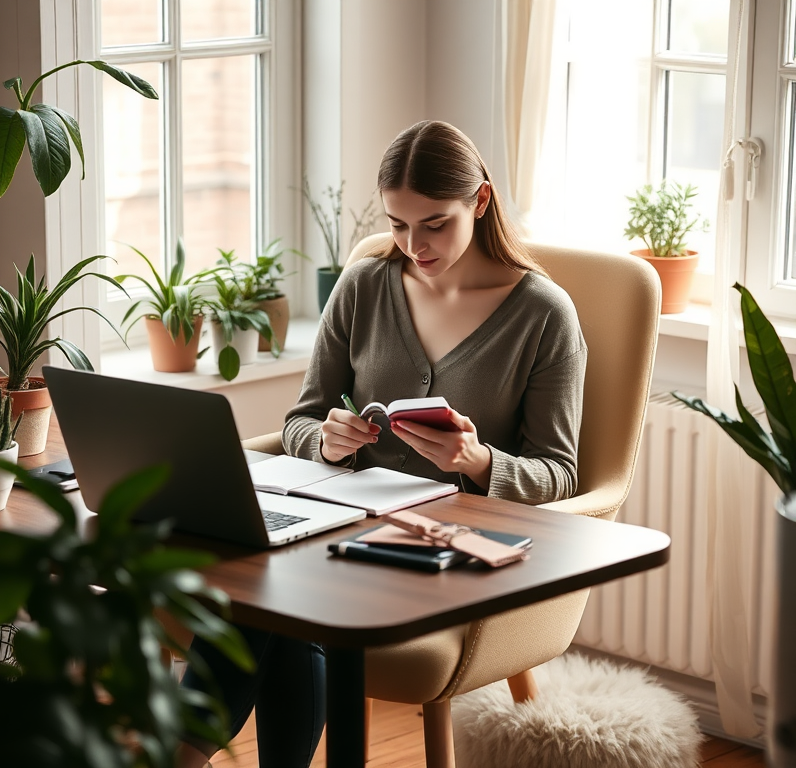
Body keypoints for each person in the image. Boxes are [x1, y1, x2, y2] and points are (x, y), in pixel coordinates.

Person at [176, 120, 587, 768]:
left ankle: (179, 753)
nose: (412, 244)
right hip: (343, 527)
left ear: (479, 202)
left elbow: (561, 473)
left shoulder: (543, 315)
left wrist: (478, 462)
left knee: (275, 601)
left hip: (450, 553)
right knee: (270, 593)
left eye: (433, 224)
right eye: (397, 224)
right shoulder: (365, 284)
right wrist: (328, 442)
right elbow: (302, 420)